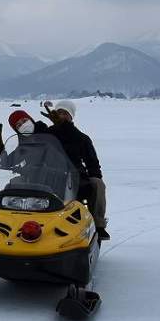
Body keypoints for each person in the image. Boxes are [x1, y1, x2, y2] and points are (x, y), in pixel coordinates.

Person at [39, 99, 108, 239]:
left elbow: (92, 163)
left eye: (65, 113)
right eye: (59, 113)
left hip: (75, 178)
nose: (62, 116)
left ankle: (98, 225)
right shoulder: (47, 134)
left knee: (98, 184)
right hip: (50, 177)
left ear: (71, 116)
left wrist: (93, 178)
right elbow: (32, 149)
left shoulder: (81, 137)